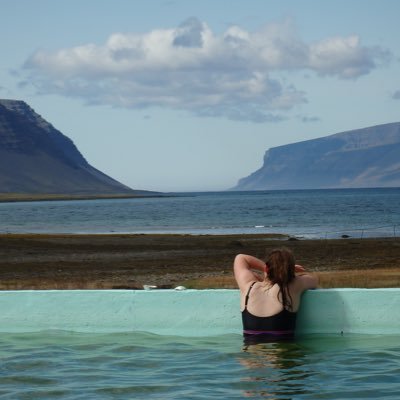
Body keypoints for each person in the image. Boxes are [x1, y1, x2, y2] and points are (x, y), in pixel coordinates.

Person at [233, 247, 318, 342]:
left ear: (266, 268)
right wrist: (286, 270)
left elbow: (240, 258)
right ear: (290, 271)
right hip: (282, 354)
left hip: (250, 354)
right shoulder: (294, 286)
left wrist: (270, 269)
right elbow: (314, 280)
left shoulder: (248, 286)